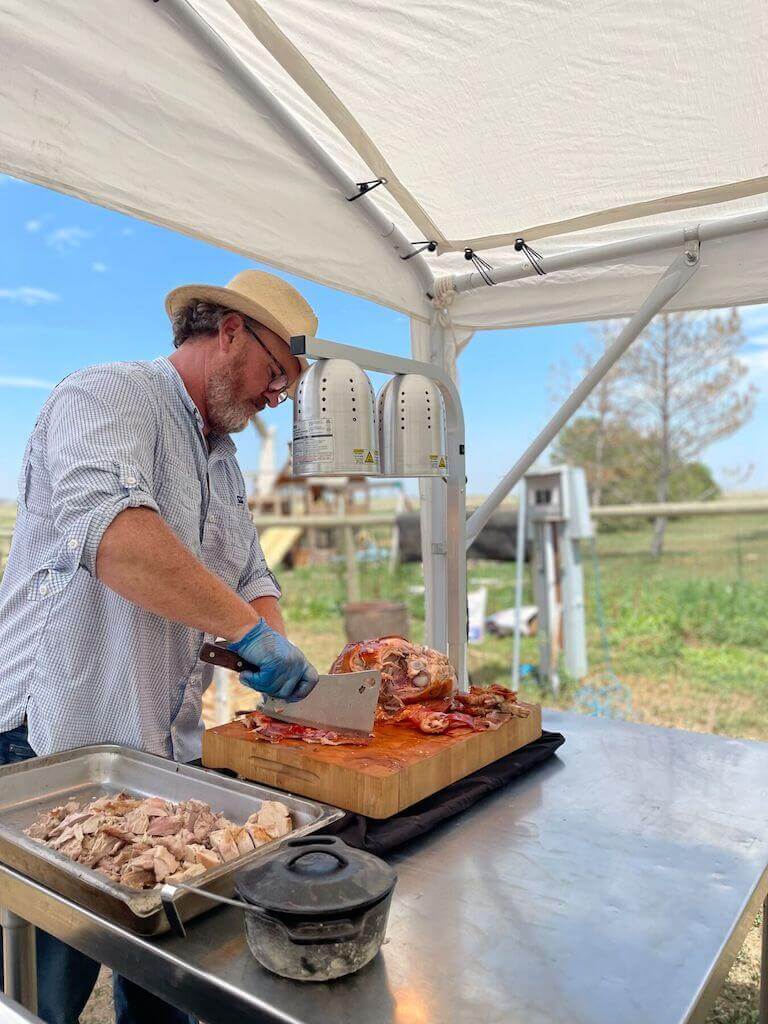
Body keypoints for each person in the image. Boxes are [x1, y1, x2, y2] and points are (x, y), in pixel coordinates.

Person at [0, 269, 320, 1024]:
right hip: (52, 743)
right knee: (43, 991)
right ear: (231, 331)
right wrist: (244, 631)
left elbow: (247, 570)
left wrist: (273, 644)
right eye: (277, 372)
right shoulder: (108, 394)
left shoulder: (221, 457)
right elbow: (115, 536)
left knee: (166, 979)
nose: (278, 396)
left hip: (156, 755)